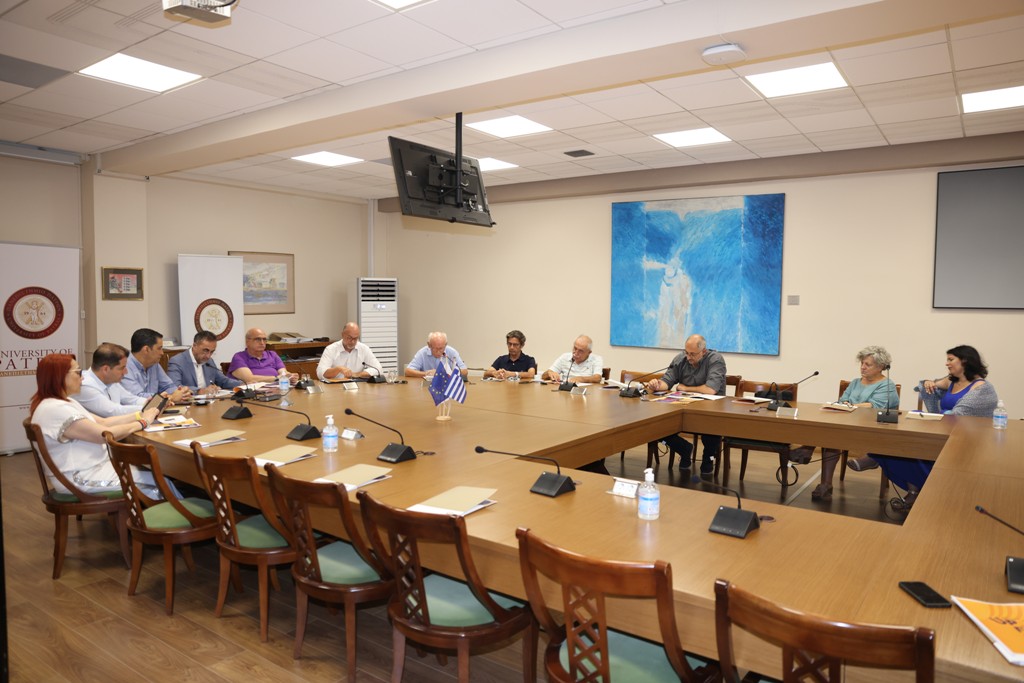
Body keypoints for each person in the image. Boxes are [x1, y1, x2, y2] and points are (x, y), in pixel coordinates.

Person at [850, 344, 998, 507]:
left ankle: (876, 457)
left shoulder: (982, 389)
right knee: (904, 442)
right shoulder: (952, 380)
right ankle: (908, 486)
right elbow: (927, 385)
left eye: (950, 359)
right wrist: (929, 383)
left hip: (964, 440)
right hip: (943, 431)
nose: (947, 363)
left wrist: (932, 418)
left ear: (965, 361)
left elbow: (958, 415)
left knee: (906, 445)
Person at [30, 353, 162, 495]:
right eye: (78, 372)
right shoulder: (57, 409)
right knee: (160, 483)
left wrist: (140, 415)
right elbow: (104, 435)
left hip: (92, 469)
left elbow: (103, 422)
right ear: (60, 376)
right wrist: (143, 422)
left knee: (158, 477)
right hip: (80, 477)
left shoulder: (63, 402)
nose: (82, 378)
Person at [790, 346, 899, 502]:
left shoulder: (887, 385)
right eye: (862, 363)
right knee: (831, 433)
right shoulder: (855, 382)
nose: (862, 367)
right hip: (847, 425)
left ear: (881, 367)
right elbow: (843, 400)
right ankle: (824, 483)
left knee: (832, 435)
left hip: (870, 429)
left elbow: (875, 406)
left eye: (868, 364)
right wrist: (845, 405)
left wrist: (850, 406)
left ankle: (808, 451)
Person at [646, 334, 726, 476]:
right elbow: (667, 382)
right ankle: (684, 449)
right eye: (686, 352)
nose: (688, 357)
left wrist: (685, 388)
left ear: (703, 351)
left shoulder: (715, 359)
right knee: (657, 424)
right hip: (685, 407)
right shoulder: (681, 358)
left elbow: (710, 389)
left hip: (710, 408)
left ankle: (708, 458)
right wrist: (656, 385)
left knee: (711, 427)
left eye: (692, 354)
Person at [72, 342, 148, 417]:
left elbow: (132, 400)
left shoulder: (111, 381)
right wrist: (148, 408)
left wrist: (149, 403)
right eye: (122, 368)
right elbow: (113, 412)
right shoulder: (85, 386)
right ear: (105, 369)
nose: (126, 372)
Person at [121, 328, 191, 403]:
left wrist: (181, 393)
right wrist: (169, 397)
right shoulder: (124, 366)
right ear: (146, 349)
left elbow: (168, 386)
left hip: (155, 408)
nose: (162, 353)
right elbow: (136, 397)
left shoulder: (154, 364)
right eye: (159, 348)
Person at [167, 330, 243, 394]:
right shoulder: (177, 361)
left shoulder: (209, 361)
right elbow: (175, 387)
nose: (208, 356)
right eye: (205, 350)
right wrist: (200, 391)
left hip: (209, 402)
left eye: (212, 352)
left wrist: (243, 384)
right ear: (194, 346)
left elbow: (223, 381)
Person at [228, 328, 298, 384]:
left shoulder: (272, 355)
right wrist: (276, 378)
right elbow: (249, 379)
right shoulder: (239, 357)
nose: (262, 343)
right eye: (258, 339)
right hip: (252, 393)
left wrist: (290, 376)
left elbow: (283, 373)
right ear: (247, 342)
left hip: (275, 390)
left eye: (264, 339)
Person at [317, 322, 383, 380]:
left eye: (355, 338)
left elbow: (378, 369)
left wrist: (357, 374)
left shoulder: (364, 349)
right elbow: (320, 373)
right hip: (335, 386)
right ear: (342, 335)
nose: (352, 341)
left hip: (357, 386)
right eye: (349, 338)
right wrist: (338, 369)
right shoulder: (331, 349)